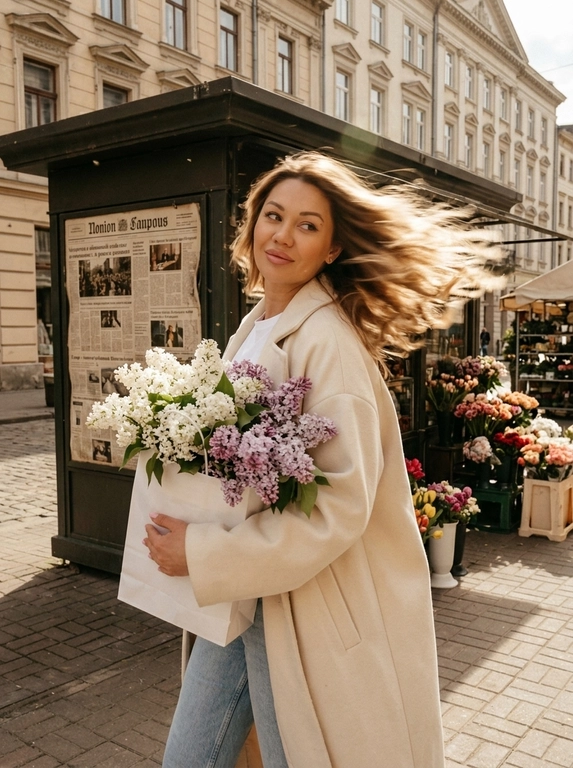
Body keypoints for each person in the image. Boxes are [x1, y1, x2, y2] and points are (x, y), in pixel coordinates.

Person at [143, 151, 503, 768]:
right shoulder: (260, 325)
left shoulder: (328, 344)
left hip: (306, 607)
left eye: (308, 225)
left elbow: (338, 507)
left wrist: (202, 552)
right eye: (273, 215)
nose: (282, 236)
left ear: (332, 249)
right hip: (251, 591)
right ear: (252, 223)